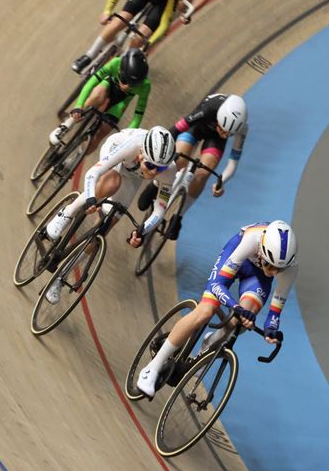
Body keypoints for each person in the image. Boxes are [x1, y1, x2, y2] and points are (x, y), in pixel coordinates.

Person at [136, 220, 298, 397]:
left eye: (278, 270)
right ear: (262, 250)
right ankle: (152, 368)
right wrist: (234, 306)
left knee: (242, 323)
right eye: (270, 265)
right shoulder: (252, 239)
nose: (274, 273)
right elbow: (218, 284)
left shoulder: (289, 268)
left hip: (257, 280)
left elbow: (276, 310)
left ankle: (210, 343)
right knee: (206, 310)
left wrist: (271, 330)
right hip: (236, 257)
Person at [42, 126, 178, 303]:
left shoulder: (170, 171)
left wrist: (142, 230)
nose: (153, 173)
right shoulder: (132, 146)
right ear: (142, 154)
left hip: (134, 177)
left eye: (159, 170)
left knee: (105, 226)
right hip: (116, 151)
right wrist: (91, 198)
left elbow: (160, 209)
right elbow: (93, 173)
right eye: (150, 165)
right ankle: (65, 214)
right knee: (111, 183)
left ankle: (61, 276)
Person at [138, 93, 248, 239]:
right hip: (197, 126)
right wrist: (161, 156)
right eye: (222, 128)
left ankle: (179, 217)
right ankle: (155, 184)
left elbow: (233, 162)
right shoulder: (210, 108)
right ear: (219, 118)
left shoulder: (242, 129)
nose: (224, 134)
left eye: (229, 134)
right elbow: (176, 129)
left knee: (203, 174)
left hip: (213, 140)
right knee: (178, 159)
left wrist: (221, 181)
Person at [71, 0, 183, 74]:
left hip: (162, 3)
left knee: (139, 38)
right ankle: (89, 55)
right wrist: (107, 11)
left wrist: (150, 42)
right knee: (117, 22)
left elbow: (165, 22)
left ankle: (123, 63)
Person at [50, 49, 150, 154]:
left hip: (120, 102)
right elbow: (91, 83)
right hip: (108, 86)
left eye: (133, 85)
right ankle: (67, 124)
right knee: (98, 94)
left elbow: (138, 115)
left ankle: (75, 158)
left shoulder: (145, 86)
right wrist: (78, 105)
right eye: (124, 80)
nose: (127, 87)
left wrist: (128, 136)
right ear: (121, 69)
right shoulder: (115, 63)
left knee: (102, 133)